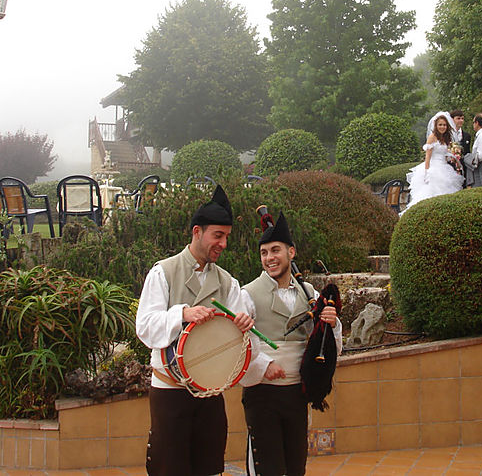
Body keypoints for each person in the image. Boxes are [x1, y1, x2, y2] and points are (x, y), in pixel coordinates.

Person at [135, 184, 255, 476]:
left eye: (226, 237)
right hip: (170, 391)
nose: (223, 244)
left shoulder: (228, 283)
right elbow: (145, 327)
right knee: (169, 468)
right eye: (218, 235)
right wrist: (181, 314)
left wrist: (243, 326)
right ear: (197, 232)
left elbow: (237, 343)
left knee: (209, 466)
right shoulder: (163, 272)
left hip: (210, 393)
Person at [240, 212, 341, 476]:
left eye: (275, 250)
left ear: (291, 252)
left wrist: (332, 323)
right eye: (264, 253)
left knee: (296, 467)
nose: (269, 258)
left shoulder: (309, 294)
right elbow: (237, 343)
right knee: (267, 469)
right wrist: (263, 364)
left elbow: (326, 343)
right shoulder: (247, 294)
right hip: (262, 394)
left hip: (297, 395)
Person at [404, 111, 465, 210]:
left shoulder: (445, 138)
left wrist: (453, 156)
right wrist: (426, 172)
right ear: (436, 126)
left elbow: (444, 153)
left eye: (444, 125)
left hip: (444, 167)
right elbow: (428, 157)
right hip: (433, 167)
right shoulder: (432, 137)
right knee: (431, 192)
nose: (442, 127)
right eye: (440, 125)